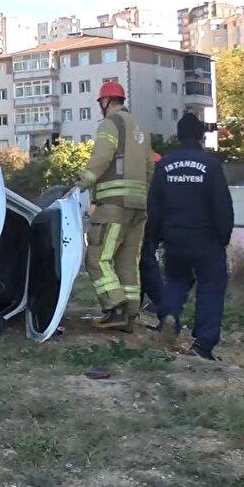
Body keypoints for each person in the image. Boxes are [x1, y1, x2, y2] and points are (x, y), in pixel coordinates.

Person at [146, 112, 235, 360]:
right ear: (200, 136)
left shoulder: (164, 165)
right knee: (211, 285)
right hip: (206, 240)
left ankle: (170, 314)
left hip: (175, 238)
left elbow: (154, 206)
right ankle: (203, 343)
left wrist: (154, 237)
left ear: (178, 136)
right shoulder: (210, 165)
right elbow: (222, 205)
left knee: (176, 279)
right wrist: (223, 236)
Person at [74, 81, 153, 331]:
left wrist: (83, 182)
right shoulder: (140, 129)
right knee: (127, 262)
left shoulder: (111, 124)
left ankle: (114, 307)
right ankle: (130, 315)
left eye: (100, 103)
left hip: (114, 207)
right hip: (138, 208)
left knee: (97, 256)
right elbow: (150, 168)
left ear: (105, 102)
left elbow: (102, 156)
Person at [140, 151, 164, 314]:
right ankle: (136, 302)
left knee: (144, 261)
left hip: (146, 222)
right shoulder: (161, 171)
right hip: (156, 222)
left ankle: (161, 301)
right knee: (141, 262)